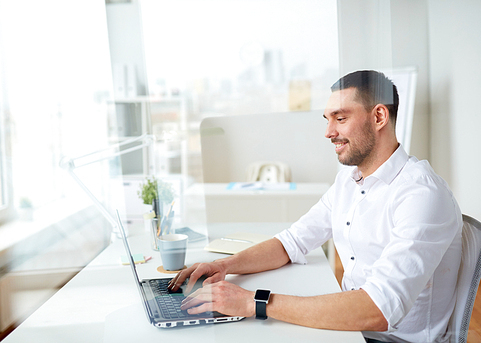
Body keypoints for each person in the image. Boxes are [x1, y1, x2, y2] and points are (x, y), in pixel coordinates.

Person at [169, 70, 462, 343]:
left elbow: (378, 309)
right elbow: (292, 242)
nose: (328, 132)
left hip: (387, 337)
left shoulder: (420, 194)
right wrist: (223, 266)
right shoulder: (349, 181)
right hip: (352, 325)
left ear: (379, 116)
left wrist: (252, 301)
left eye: (340, 118)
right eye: (327, 119)